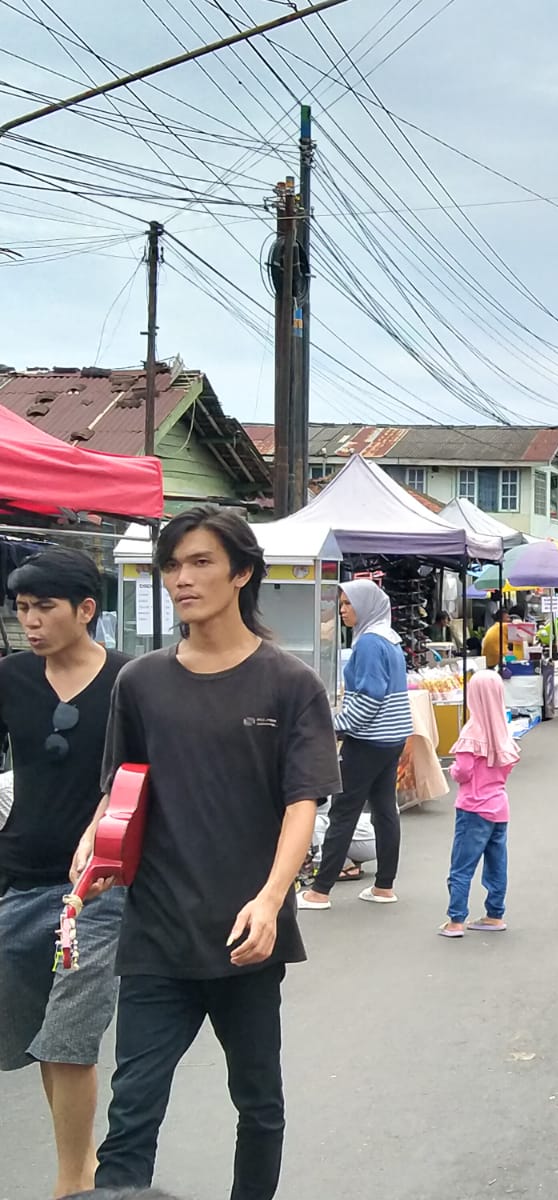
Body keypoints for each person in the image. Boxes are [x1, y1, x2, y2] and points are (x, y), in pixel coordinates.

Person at [83, 505, 341, 1200]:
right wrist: (95, 849)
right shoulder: (140, 683)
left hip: (246, 938)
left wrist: (269, 899)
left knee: (259, 1107)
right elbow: (121, 788)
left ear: (243, 573)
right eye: (171, 566)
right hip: (157, 934)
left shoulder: (290, 685)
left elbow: (303, 802)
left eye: (199, 562)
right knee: (132, 1110)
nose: (181, 578)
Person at [0, 548, 132, 1197]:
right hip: (18, 875)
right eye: (22, 607)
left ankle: (69, 1183)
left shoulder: (130, 683)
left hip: (99, 886)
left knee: (69, 1036)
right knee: (39, 1036)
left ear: (86, 609)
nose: (30, 620)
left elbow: (146, 774)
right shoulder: (11, 678)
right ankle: (77, 1166)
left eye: (43, 607)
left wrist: (103, 818)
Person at [299, 580, 412, 911]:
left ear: (365, 606)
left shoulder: (368, 645)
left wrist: (332, 724)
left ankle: (320, 891)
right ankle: (384, 886)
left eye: (349, 604)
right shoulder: (390, 639)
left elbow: (368, 699)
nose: (343, 610)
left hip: (367, 740)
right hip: (391, 738)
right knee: (384, 809)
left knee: (343, 812)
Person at [440, 670, 519, 938]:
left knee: (462, 865)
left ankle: (456, 920)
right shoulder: (503, 729)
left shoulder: (472, 730)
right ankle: (495, 914)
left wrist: (452, 771)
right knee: (497, 864)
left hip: (473, 807)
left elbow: (462, 771)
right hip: (499, 806)